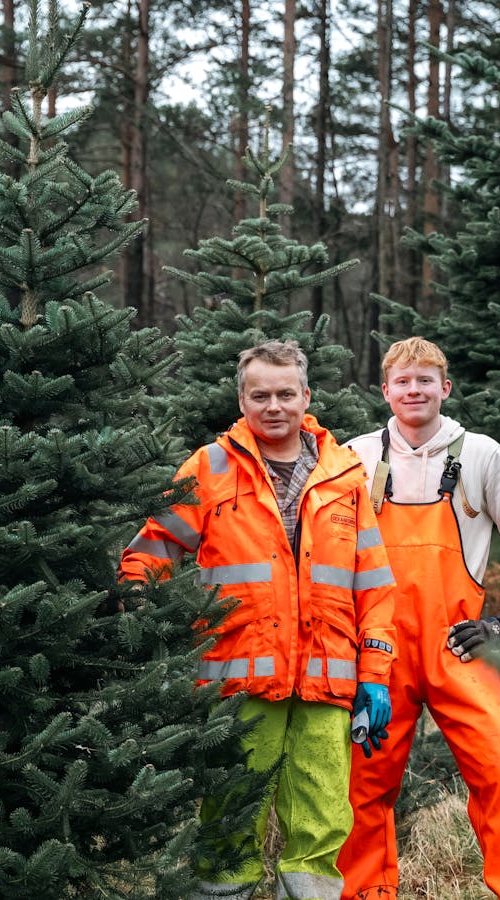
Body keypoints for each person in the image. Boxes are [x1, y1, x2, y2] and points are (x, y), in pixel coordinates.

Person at [120, 339, 399, 900]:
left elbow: (373, 582)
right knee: (230, 813)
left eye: (285, 394)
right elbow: (153, 548)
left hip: (329, 678)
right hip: (237, 679)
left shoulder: (344, 474)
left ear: (306, 397)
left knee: (322, 817)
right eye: (261, 395)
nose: (274, 406)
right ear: (242, 400)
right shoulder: (211, 466)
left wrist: (376, 673)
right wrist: (139, 609)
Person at [338, 337, 500, 899]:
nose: (414, 390)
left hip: (460, 646)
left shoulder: (480, 453)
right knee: (364, 784)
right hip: (378, 650)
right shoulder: (355, 457)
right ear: (385, 390)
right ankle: (363, 893)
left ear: (445, 388)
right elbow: (325, 546)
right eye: (403, 381)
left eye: (426, 380)